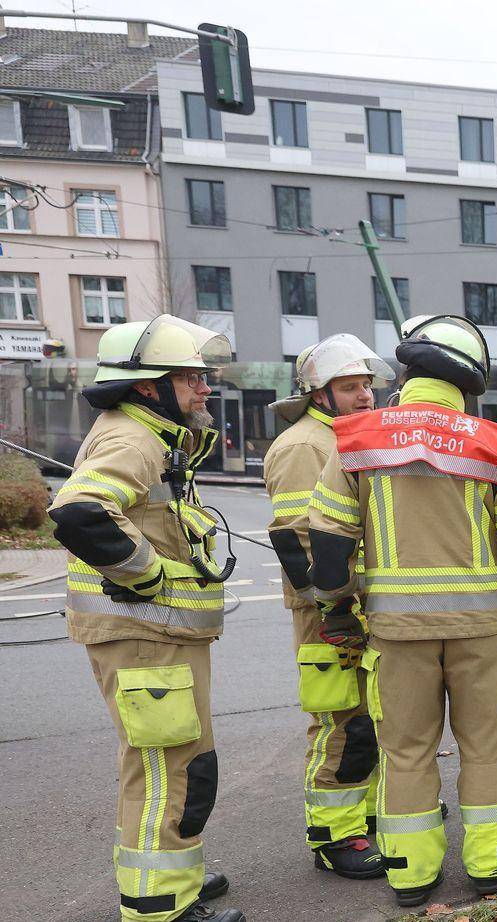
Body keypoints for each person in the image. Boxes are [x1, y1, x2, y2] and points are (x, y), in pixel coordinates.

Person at [304, 315, 497, 907]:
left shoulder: (355, 442)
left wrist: (337, 611)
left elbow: (330, 549)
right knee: (487, 747)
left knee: (406, 752)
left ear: (409, 372)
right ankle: (491, 863)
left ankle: (411, 873)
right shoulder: (493, 445)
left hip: (396, 634)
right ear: (468, 380)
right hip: (483, 633)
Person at [49, 315, 244, 922]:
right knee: (168, 768)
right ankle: (160, 903)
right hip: (144, 633)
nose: (204, 388)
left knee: (176, 763)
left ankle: (170, 874)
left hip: (156, 634)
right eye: (190, 378)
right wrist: (147, 575)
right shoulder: (134, 439)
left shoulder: (151, 436)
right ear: (147, 385)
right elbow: (80, 512)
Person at [264, 334, 394, 880]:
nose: (365, 395)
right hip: (329, 612)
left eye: (367, 384)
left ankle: (367, 814)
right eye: (350, 386)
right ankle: (335, 835)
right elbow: (298, 541)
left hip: (357, 605)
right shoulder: (304, 446)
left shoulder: (346, 438)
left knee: (369, 718)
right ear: (319, 394)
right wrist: (334, 612)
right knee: (341, 723)